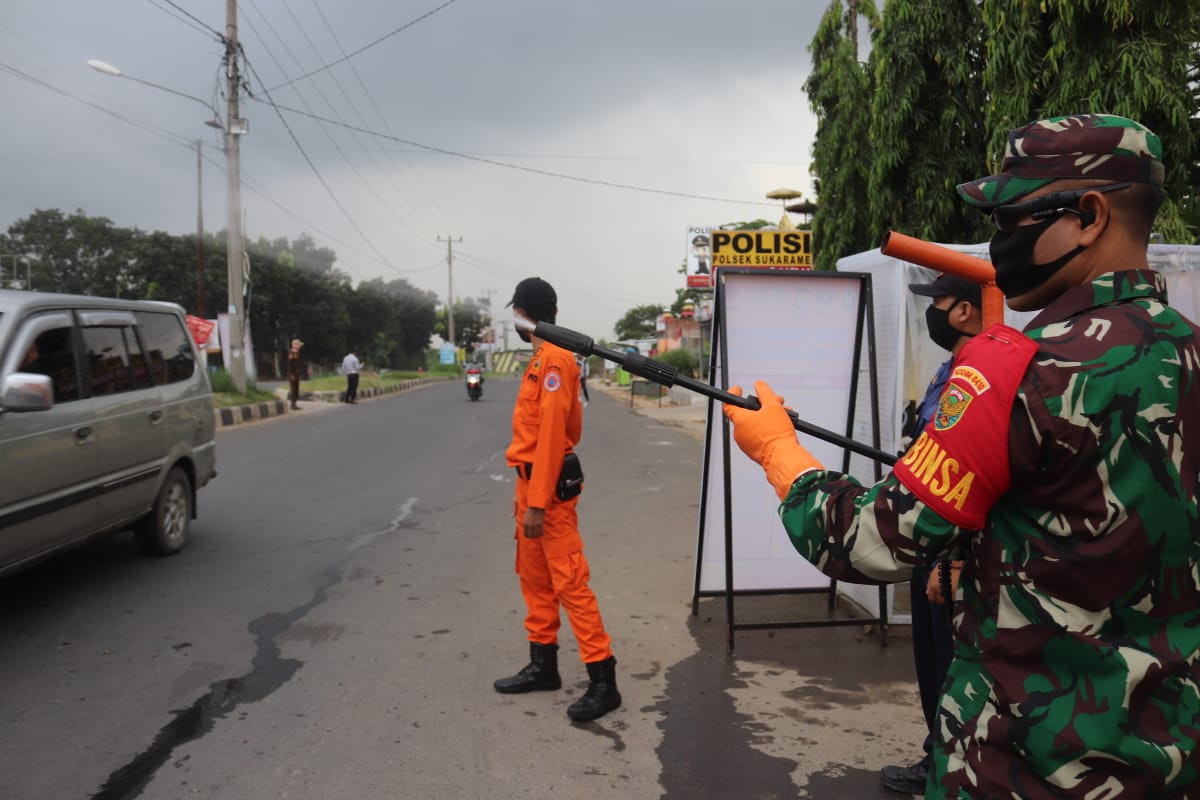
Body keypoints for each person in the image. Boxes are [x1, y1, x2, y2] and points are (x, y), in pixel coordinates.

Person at [722, 114, 1200, 798]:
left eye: (1012, 219)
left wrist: (777, 450)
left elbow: (867, 542)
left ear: (1090, 215)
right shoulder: (1189, 351)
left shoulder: (1022, 372)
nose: (998, 243)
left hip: (1027, 767)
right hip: (1173, 761)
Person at [494, 277, 621, 722]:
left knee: (570, 582)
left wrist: (537, 505)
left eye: (517, 313)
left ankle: (603, 681)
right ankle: (542, 665)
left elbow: (551, 438)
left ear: (525, 314)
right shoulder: (539, 361)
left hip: (545, 494)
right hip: (526, 485)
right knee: (535, 579)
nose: (515, 320)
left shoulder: (555, 363)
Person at [879, 273, 983, 795]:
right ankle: (936, 755)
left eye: (937, 303)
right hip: (931, 542)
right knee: (929, 659)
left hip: (950, 552)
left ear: (964, 311)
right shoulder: (954, 367)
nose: (932, 313)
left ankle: (948, 769)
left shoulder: (981, 375)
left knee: (949, 664)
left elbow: (978, 476)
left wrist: (957, 558)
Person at [287, 338, 304, 410]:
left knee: (296, 389)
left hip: (296, 374)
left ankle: (295, 404)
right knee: (293, 390)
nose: (300, 346)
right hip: (292, 374)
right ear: (295, 345)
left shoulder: (297, 353)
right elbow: (290, 365)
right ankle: (292, 404)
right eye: (298, 345)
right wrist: (291, 374)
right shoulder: (291, 353)